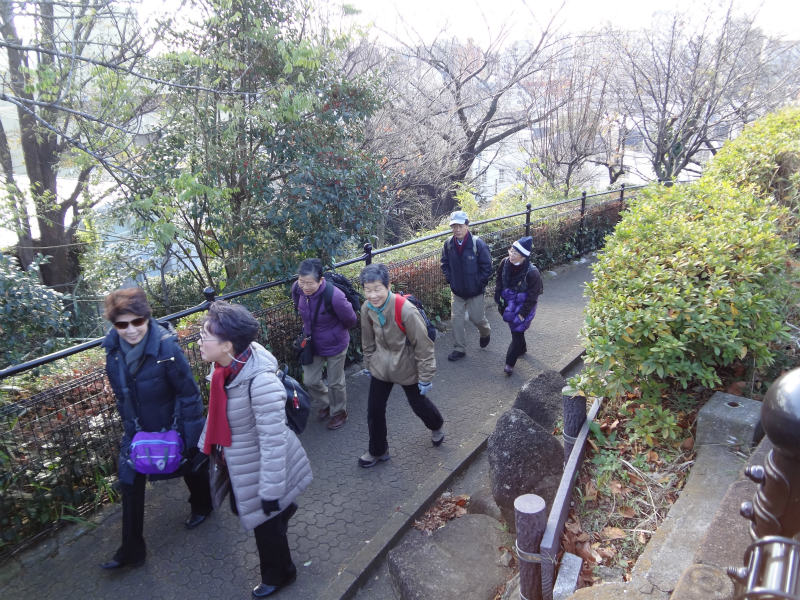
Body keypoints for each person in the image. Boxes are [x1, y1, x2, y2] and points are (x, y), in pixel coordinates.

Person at [197, 301, 312, 598]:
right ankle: (285, 508)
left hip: (263, 464)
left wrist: (271, 491)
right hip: (240, 458)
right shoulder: (225, 367)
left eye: (205, 336)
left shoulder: (260, 383)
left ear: (227, 345)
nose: (199, 342)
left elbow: (273, 442)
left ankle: (280, 574)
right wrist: (204, 445)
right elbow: (217, 412)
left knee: (264, 525)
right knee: (241, 508)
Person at [100, 288, 211, 570]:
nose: (131, 330)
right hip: (137, 431)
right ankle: (131, 550)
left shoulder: (166, 348)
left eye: (137, 322)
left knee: (189, 466)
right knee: (130, 482)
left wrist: (190, 437)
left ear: (147, 318)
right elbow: (121, 395)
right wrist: (130, 427)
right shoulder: (113, 352)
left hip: (170, 424)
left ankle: (203, 505)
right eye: (122, 325)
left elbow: (188, 393)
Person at [358, 263, 445, 468]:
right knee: (374, 410)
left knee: (418, 404)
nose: (372, 295)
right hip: (381, 366)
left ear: (388, 286)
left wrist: (426, 377)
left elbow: (423, 345)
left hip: (407, 365)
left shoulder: (405, 310)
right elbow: (367, 341)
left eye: (377, 289)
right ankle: (378, 451)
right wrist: (369, 364)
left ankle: (436, 425)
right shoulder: (367, 308)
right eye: (368, 290)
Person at [290, 258, 358, 430]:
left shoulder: (334, 296)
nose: (304, 287)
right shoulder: (297, 289)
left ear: (320, 280)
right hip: (312, 342)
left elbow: (351, 319)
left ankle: (339, 412)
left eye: (309, 283)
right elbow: (298, 305)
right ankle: (329, 402)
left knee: (336, 382)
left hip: (336, 343)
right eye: (301, 281)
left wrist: (335, 332)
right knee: (310, 380)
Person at [440, 210, 493, 361]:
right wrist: (451, 280)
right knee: (456, 320)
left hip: (475, 291)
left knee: (477, 318)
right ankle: (459, 348)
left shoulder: (477, 244)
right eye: (454, 226)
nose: (457, 229)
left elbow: (487, 267)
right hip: (457, 291)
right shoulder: (448, 244)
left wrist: (478, 283)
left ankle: (485, 332)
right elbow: (444, 263)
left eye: (460, 226)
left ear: (467, 226)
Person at [494, 236, 543, 376]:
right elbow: (499, 280)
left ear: (523, 257)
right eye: (511, 251)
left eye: (515, 253)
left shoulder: (533, 273)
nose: (511, 254)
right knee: (516, 331)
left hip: (524, 306)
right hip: (508, 304)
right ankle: (522, 348)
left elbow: (533, 298)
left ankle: (509, 363)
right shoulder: (504, 262)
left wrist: (522, 314)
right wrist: (498, 297)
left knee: (516, 333)